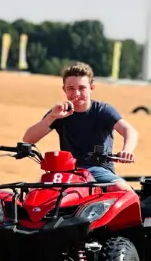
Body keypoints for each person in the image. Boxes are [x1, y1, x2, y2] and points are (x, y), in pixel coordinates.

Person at [21, 61, 138, 191]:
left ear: (91, 88)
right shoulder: (60, 112)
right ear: (64, 89)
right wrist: (51, 118)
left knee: (123, 190)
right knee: (35, 196)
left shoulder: (103, 111)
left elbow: (129, 130)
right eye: (71, 88)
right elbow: (28, 139)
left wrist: (127, 150)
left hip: (98, 170)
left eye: (82, 88)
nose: (76, 94)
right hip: (66, 171)